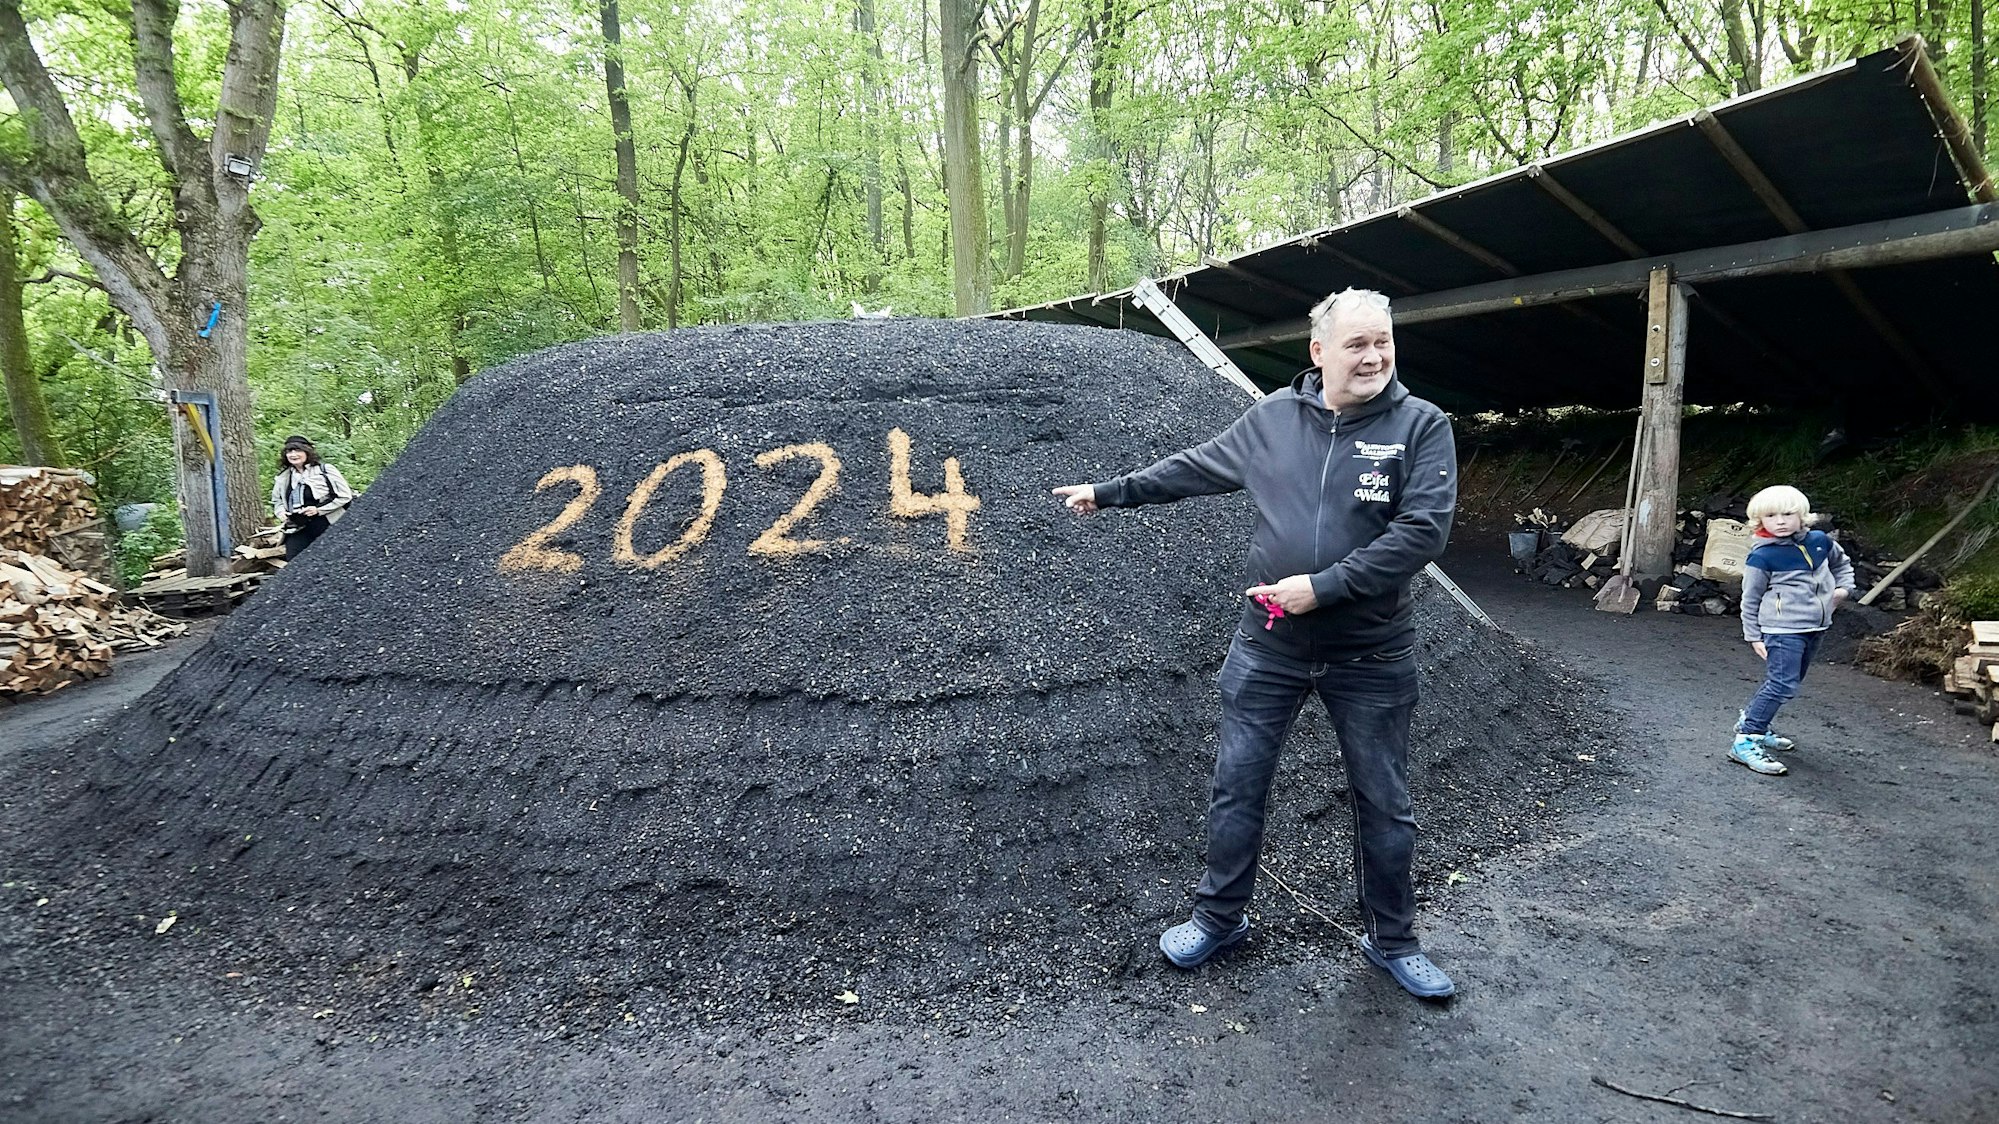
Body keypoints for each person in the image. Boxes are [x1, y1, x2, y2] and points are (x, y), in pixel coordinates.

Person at [1051, 287, 1460, 1000]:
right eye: (1356, 343)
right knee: (1237, 786)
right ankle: (1218, 919)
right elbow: (1196, 467)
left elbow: (1420, 534)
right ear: (1319, 352)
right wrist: (1109, 491)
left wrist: (1323, 587)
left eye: (1382, 342)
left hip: (1371, 655)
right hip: (1268, 647)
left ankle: (1392, 939)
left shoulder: (1420, 427)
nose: (1372, 356)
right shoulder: (1273, 418)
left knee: (1384, 801)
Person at [1731, 485, 1855, 776]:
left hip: (1817, 625)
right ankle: (1746, 739)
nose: (1781, 521)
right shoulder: (1763, 557)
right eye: (1771, 516)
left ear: (1803, 516)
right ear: (1760, 521)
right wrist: (1753, 635)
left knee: (1788, 681)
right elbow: (1749, 598)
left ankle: (1754, 719)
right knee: (1782, 684)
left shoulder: (1820, 541)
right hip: (1781, 629)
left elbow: (1842, 564)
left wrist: (1843, 590)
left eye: (1788, 514)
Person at [270, 435, 354, 561]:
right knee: (294, 562)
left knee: (332, 561)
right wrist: (281, 513)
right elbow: (277, 501)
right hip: (296, 527)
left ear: (307, 452)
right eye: (289, 451)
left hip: (326, 524)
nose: (293, 454)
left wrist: (318, 509)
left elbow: (344, 495)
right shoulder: (284, 477)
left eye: (298, 450)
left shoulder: (325, 470)